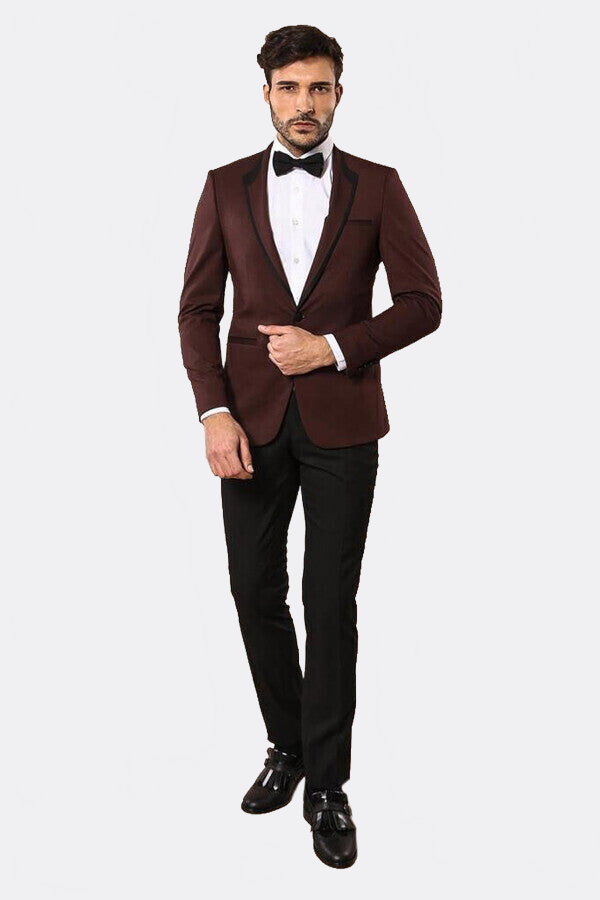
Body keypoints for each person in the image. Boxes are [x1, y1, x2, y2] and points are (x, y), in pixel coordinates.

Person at [178, 24, 442, 869]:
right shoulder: (223, 186)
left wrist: (330, 348)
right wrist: (213, 412)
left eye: (319, 88)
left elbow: (423, 302)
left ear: (338, 94)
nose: (305, 103)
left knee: (329, 604)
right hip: (247, 424)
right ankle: (287, 745)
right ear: (266, 93)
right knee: (254, 590)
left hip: (344, 424)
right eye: (289, 88)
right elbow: (197, 310)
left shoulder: (378, 186)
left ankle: (327, 785)